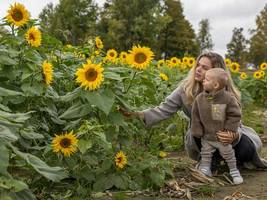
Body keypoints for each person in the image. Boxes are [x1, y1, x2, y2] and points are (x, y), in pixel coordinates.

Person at [121, 52, 267, 171]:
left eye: (204, 67)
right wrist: (138, 114)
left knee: (247, 149)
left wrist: (232, 134)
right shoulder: (186, 89)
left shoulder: (226, 94)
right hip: (200, 136)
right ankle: (210, 161)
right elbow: (164, 109)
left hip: (228, 137)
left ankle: (233, 160)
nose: (198, 69)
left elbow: (234, 120)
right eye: (198, 65)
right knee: (201, 127)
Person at [191, 68, 243, 184]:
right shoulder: (199, 99)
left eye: (206, 79)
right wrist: (197, 130)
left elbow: (235, 114)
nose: (203, 81)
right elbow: (195, 116)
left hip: (222, 136)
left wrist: (229, 130)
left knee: (228, 154)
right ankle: (205, 169)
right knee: (205, 153)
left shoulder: (228, 98)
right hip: (207, 136)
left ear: (215, 85)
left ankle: (234, 171)